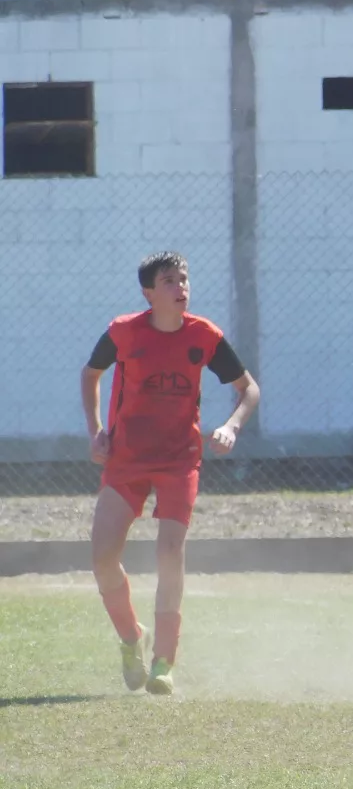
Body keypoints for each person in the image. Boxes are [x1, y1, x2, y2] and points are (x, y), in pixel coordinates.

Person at [81, 251, 260, 695]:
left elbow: (249, 390)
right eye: (169, 281)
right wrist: (97, 431)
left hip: (180, 461)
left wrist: (231, 426)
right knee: (102, 557)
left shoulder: (204, 336)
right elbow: (90, 374)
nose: (181, 287)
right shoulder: (124, 332)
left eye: (184, 278)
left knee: (169, 553)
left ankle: (163, 661)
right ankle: (132, 638)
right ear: (149, 293)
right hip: (126, 460)